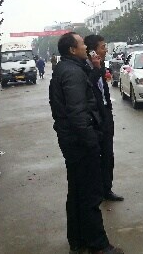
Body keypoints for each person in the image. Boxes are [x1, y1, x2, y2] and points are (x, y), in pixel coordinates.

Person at [49, 32, 123, 254]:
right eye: (82, 44)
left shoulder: (68, 68)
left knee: (77, 193)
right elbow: (78, 113)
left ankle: (78, 240)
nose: (85, 48)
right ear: (72, 50)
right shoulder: (72, 73)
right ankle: (98, 244)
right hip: (80, 143)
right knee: (90, 194)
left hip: (72, 141)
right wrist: (92, 141)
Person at [84, 34, 124, 202]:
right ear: (92, 51)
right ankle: (96, 192)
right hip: (94, 118)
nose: (106, 50)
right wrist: (95, 68)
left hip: (106, 114)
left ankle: (107, 189)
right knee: (95, 157)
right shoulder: (84, 68)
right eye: (102, 47)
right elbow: (88, 87)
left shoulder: (99, 66)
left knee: (108, 155)